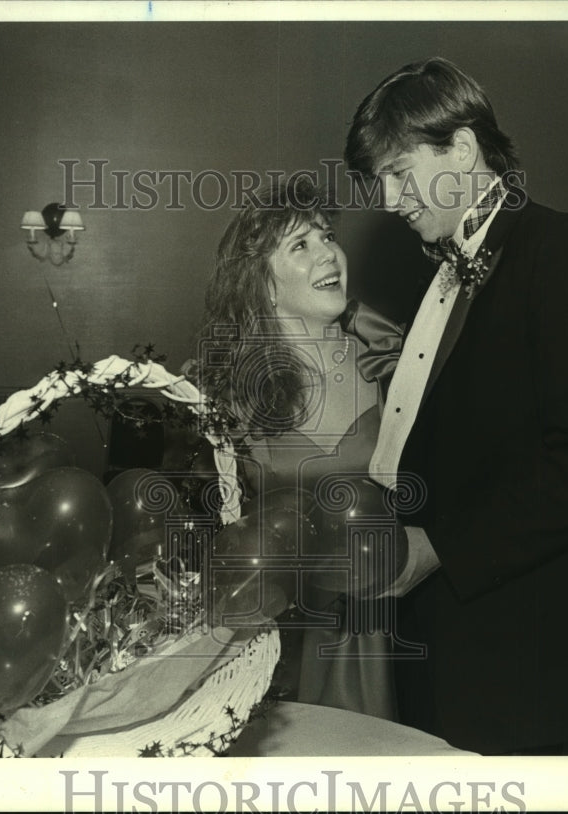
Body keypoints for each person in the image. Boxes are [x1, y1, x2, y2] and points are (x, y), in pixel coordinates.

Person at [344, 57, 568, 754]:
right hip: (446, 637)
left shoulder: (566, 251)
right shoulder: (447, 267)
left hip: (525, 660)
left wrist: (440, 545)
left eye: (398, 172)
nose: (389, 201)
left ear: (462, 147)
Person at [190, 176, 405, 721]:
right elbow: (214, 538)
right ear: (264, 286)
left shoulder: (390, 364)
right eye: (300, 245)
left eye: (327, 236)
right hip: (282, 638)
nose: (328, 252)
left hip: (392, 619)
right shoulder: (231, 399)